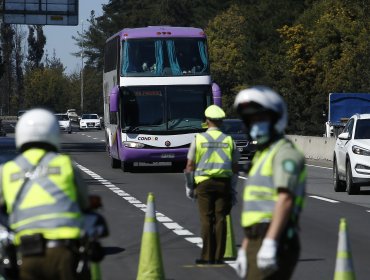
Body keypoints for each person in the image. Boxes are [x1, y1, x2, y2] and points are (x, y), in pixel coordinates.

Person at [0, 108, 90, 280]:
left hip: (27, 253)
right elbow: (84, 202)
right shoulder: (65, 164)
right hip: (63, 251)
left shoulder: (8, 170)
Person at [233, 86, 306, 279]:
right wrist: (246, 248)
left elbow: (285, 199)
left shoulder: (284, 153)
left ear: (275, 119)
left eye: (261, 119)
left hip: (276, 236)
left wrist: (270, 242)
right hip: (257, 237)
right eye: (251, 121)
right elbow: (256, 212)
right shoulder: (261, 156)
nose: (256, 125)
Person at [184, 104, 239, 264]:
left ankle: (207, 256)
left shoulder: (199, 139)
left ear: (207, 121)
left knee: (206, 219)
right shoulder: (229, 140)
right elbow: (235, 167)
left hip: (204, 184)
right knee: (221, 218)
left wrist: (189, 186)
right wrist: (233, 188)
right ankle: (219, 256)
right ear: (221, 121)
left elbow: (189, 166)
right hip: (224, 184)